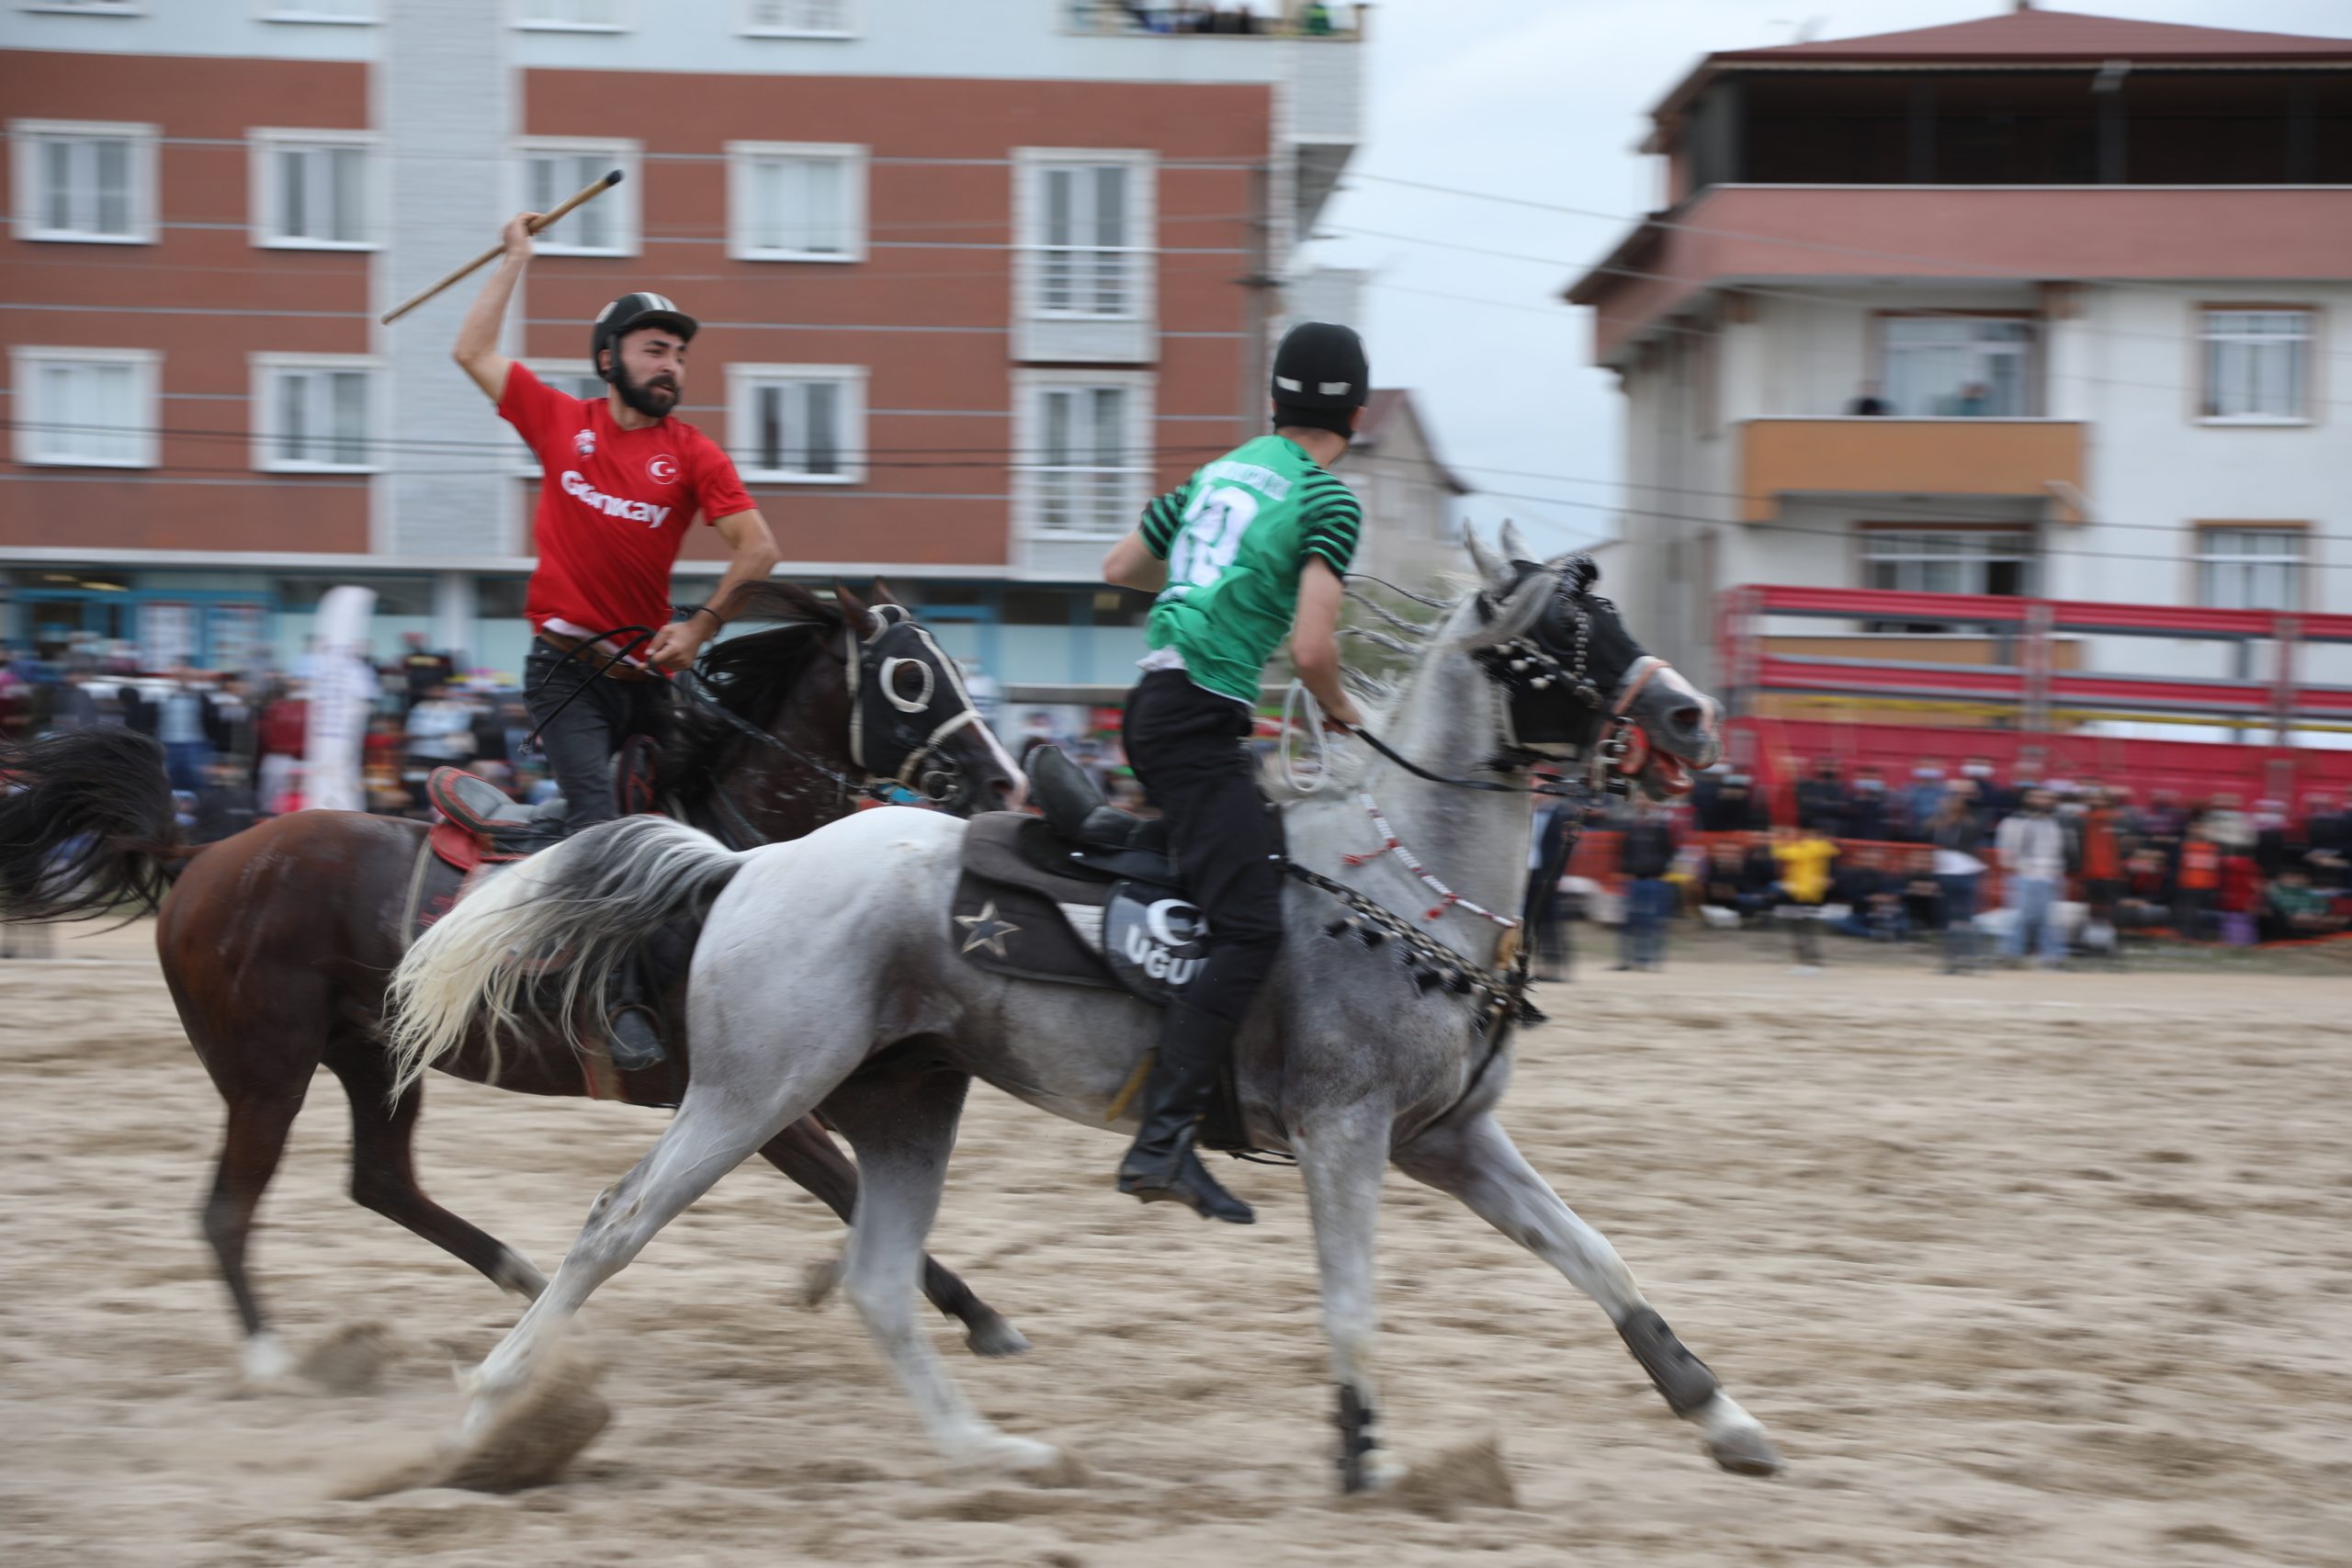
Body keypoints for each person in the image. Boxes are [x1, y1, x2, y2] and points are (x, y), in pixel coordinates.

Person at [455, 211, 781, 1069]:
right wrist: (516, 259)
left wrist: (703, 624)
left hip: (650, 680)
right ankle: (618, 999)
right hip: (564, 675)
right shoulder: (558, 420)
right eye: (654, 349)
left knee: (696, 816)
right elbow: (472, 350)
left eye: (679, 354)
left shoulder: (695, 454)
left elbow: (759, 549)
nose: (671, 365)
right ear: (609, 360)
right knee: (607, 833)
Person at [1098, 320, 1369, 1224]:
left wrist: (1208, 589)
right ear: (1356, 412)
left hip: (1152, 700)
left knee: (1240, 870)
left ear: (1274, 401)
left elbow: (1120, 566)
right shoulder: (1327, 500)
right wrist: (1343, 710)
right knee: (1250, 926)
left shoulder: (1220, 472)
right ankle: (1163, 1140)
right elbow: (1313, 649)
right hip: (1199, 715)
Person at [1996, 785, 2068, 967]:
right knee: (2019, 916)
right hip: (2023, 874)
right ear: (2027, 799)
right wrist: (2012, 867)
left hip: (2050, 875)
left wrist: (2057, 871)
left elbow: (2059, 849)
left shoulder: (2056, 823)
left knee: (2049, 919)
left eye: (2047, 798)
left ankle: (2052, 957)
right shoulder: (2013, 821)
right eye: (2038, 797)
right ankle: (2011, 954)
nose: (2043, 801)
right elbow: (2006, 848)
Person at [1928, 784, 1987, 974]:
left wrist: (1952, 817)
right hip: (1946, 872)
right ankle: (1952, 960)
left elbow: (1968, 835)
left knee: (1964, 918)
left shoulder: (1970, 822)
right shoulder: (1940, 823)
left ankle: (1970, 959)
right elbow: (1927, 830)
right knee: (1949, 919)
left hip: (1963, 873)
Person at [1614, 800, 1676, 971]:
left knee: (1652, 922)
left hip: (1654, 879)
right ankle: (1627, 960)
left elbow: (1668, 853)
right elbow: (1624, 851)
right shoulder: (1630, 827)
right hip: (1633, 879)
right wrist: (1625, 871)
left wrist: (1662, 872)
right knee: (1629, 921)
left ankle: (1649, 959)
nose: (1642, 805)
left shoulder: (1661, 829)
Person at [1770, 822, 1837, 971]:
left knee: (1802, 927)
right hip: (1800, 893)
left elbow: (1784, 853)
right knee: (1800, 928)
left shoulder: (1815, 847)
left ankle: (1809, 959)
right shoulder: (1819, 847)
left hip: (1805, 894)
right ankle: (1807, 959)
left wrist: (1777, 840)